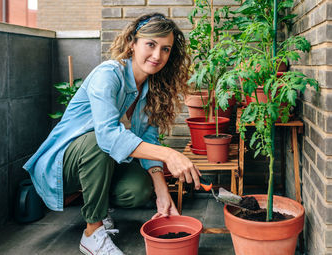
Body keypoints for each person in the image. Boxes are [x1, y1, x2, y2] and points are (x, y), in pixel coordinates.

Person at [23, 13, 201, 255]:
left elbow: (148, 139)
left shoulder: (150, 90)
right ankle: (92, 233)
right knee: (100, 140)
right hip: (60, 167)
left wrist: (162, 192)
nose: (158, 55)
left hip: (96, 162)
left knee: (138, 187)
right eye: (151, 44)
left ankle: (100, 206)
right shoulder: (109, 74)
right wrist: (170, 154)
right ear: (132, 43)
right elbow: (107, 135)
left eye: (166, 49)